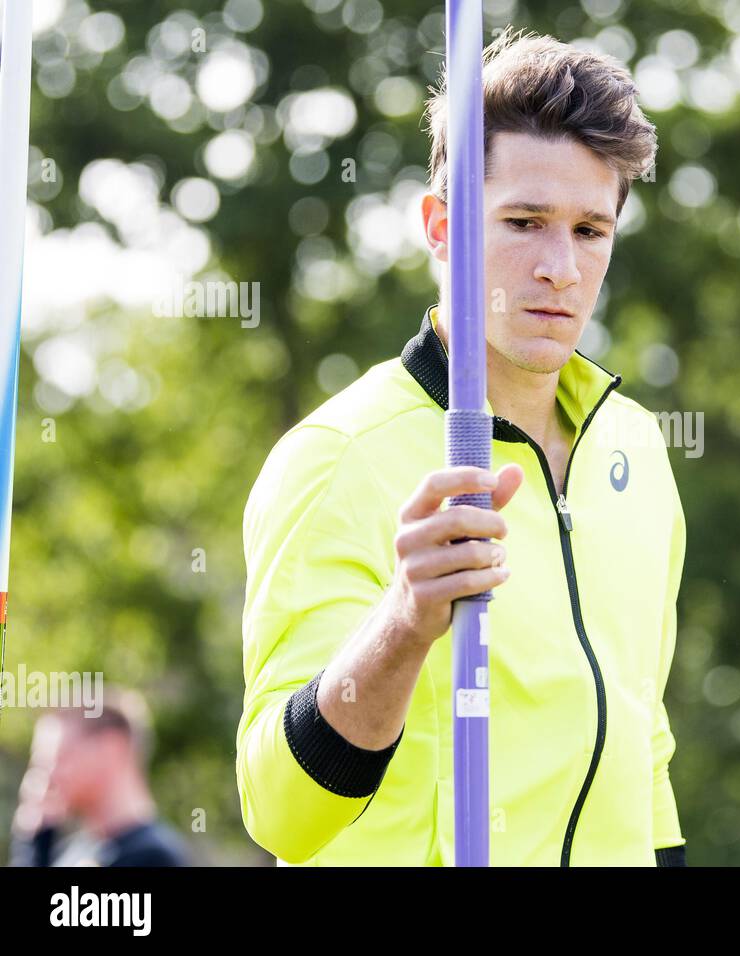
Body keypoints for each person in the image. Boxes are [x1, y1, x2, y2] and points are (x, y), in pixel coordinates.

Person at [237, 29, 688, 866]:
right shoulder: (337, 454)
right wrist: (404, 624)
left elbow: (644, 754)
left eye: (591, 230)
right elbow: (280, 812)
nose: (559, 268)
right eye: (524, 222)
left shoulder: (639, 450)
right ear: (442, 227)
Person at [9, 689, 190, 867]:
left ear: (111, 749)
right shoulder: (77, 851)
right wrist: (37, 839)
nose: (46, 775)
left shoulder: (151, 857)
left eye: (59, 758)